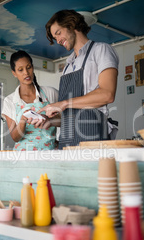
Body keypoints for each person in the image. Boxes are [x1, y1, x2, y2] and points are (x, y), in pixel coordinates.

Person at [39, 9, 119, 149]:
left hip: (92, 137)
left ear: (71, 25)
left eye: (58, 33)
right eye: (55, 37)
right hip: (67, 141)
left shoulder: (101, 50)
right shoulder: (67, 67)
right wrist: (51, 121)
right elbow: (71, 115)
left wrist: (63, 103)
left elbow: (107, 94)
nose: (58, 40)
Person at [2, 50, 59, 151]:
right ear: (14, 73)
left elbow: (65, 121)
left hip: (49, 155)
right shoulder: (9, 101)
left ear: (32, 67)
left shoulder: (50, 93)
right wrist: (23, 121)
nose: (26, 73)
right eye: (20, 70)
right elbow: (15, 137)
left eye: (28, 67)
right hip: (23, 158)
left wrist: (49, 120)